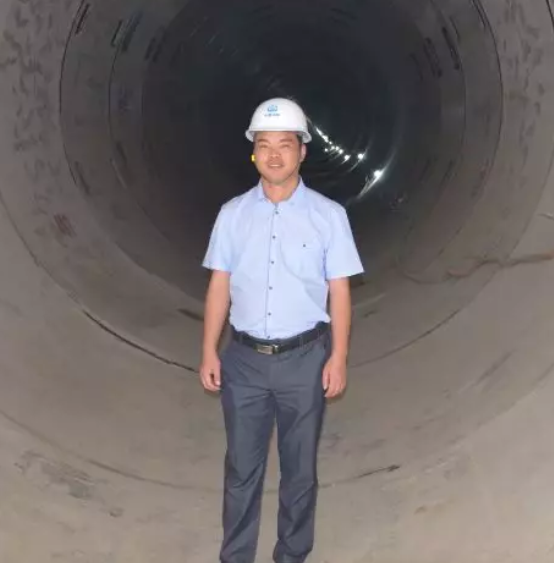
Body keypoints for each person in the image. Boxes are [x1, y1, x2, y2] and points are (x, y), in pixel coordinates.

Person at [199, 97, 365, 563]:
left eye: (285, 145)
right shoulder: (233, 214)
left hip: (305, 360)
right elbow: (219, 285)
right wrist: (209, 350)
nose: (274, 155)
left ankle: (291, 555)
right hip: (244, 361)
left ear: (302, 151)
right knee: (241, 470)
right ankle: (236, 556)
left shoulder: (329, 216)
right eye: (265, 145)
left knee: (299, 472)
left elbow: (340, 291)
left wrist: (338, 357)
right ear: (253, 151)